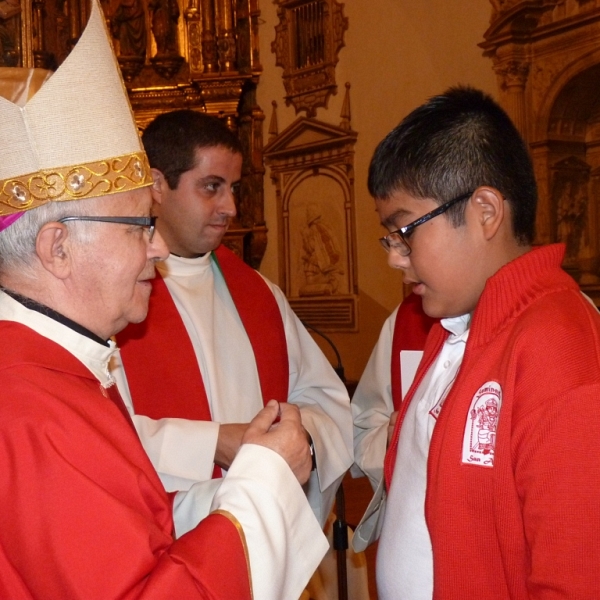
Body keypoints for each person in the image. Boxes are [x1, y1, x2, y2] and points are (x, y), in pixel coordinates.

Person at [0, 1, 328, 598]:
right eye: (136, 227)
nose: (157, 249)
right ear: (58, 248)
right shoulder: (29, 408)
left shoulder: (58, 376)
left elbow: (134, 534)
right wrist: (265, 480)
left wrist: (226, 494)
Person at [365, 87, 600, 599]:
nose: (395, 258)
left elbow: (575, 576)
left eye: (405, 230)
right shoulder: (451, 330)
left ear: (486, 211)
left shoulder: (557, 347)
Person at [112, 109, 353, 533]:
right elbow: (93, 434)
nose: (230, 208)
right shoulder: (114, 296)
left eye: (234, 189)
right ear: (157, 185)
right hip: (164, 544)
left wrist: (300, 442)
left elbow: (325, 402)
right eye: (212, 188)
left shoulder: (259, 294)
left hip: (261, 539)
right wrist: (215, 444)